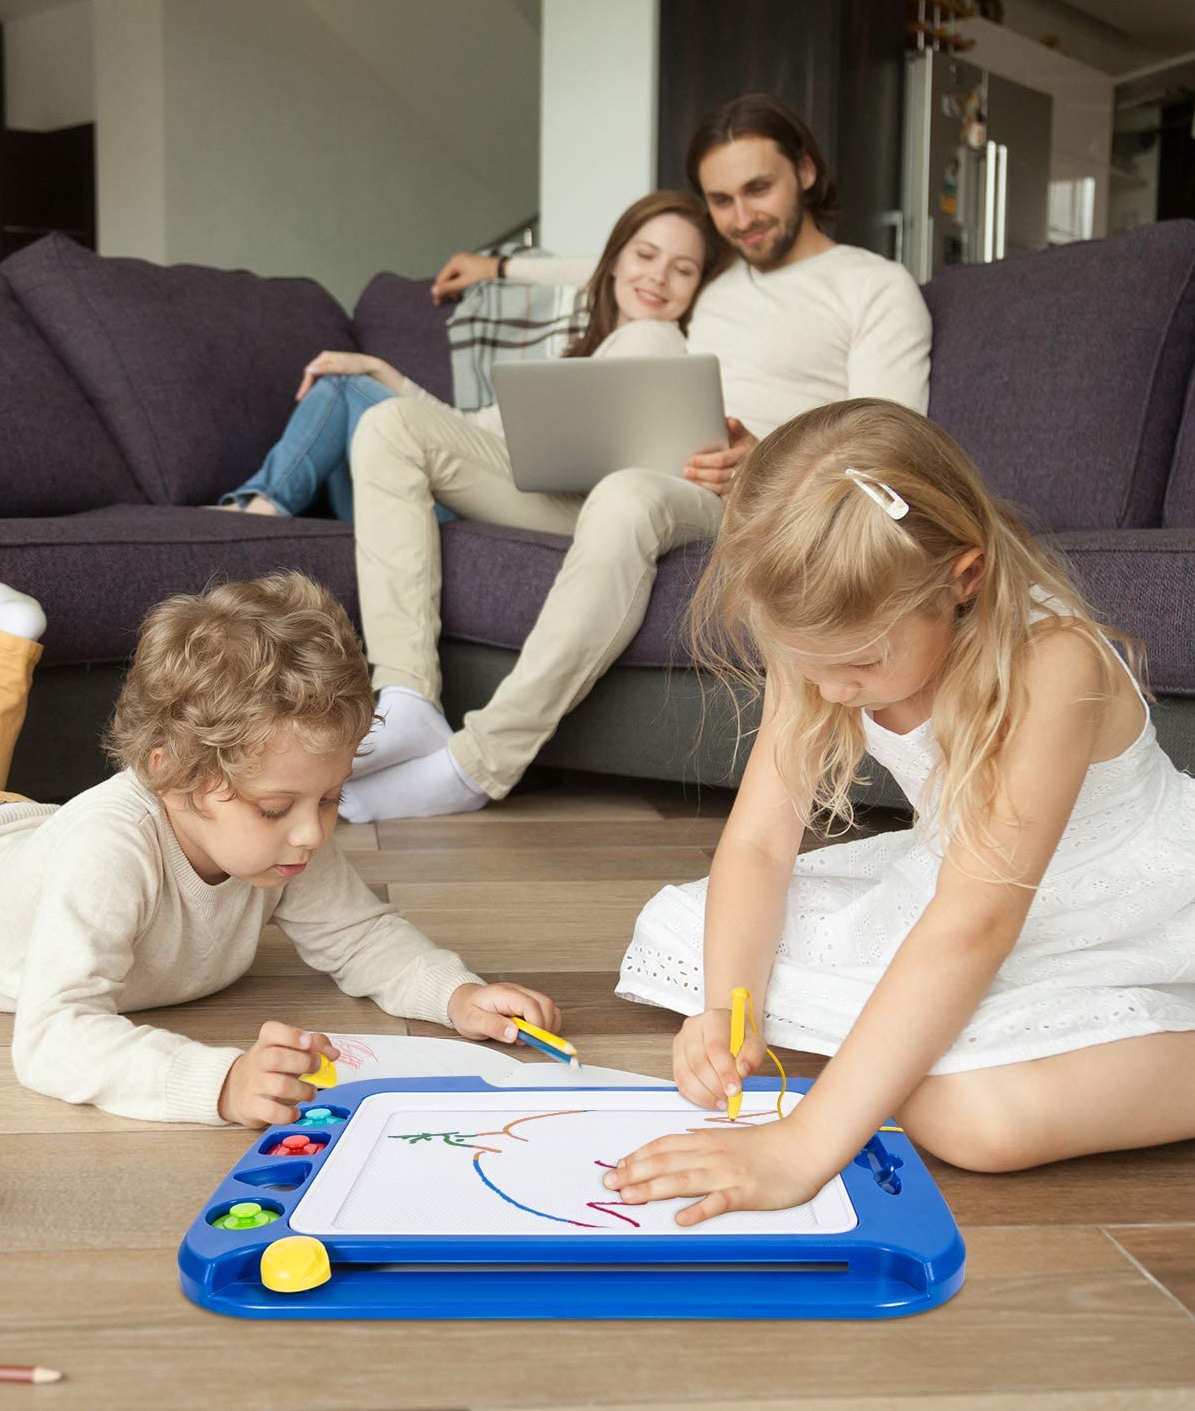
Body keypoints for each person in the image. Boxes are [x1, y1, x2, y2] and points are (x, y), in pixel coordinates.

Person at [605, 400, 1195, 1225]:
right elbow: (762, 845)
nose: (832, 689)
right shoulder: (821, 637)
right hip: (965, 882)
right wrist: (723, 1010)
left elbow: (973, 926)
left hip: (1121, 908)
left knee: (979, 1121)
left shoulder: (1051, 664)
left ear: (963, 580)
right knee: (690, 933)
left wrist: (804, 1146)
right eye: (811, 664)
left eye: (858, 662)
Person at [0, 575, 561, 1128]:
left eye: (330, 798)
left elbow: (361, 936)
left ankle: (3, 644)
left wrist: (455, 993)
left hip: (0, 824)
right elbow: (55, 1037)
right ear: (173, 775)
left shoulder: (279, 840)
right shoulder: (112, 851)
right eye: (278, 806)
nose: (313, 831)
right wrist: (215, 1083)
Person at [343, 95, 933, 823]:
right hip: (631, 475)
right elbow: (620, 261)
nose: (742, 216)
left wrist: (764, 459)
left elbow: (891, 446)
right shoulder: (710, 280)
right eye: (721, 200)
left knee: (627, 495)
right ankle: (404, 697)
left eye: (759, 189)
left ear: (806, 171)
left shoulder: (873, 286)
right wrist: (497, 264)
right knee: (393, 427)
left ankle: (479, 763)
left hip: (749, 501)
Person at [216, 189, 706, 520]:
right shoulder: (587, 351)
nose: (658, 278)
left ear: (699, 285)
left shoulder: (655, 341)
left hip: (484, 498)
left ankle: (258, 510)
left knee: (344, 385)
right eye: (645, 256)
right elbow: (473, 430)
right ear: (615, 260)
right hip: (457, 481)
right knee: (348, 383)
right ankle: (262, 508)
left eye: (682, 269)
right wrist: (384, 370)